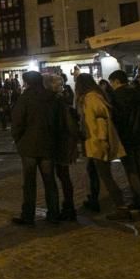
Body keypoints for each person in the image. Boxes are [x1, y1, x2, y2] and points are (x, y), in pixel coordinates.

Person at [76, 73, 133, 221]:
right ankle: (95, 200)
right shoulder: (91, 97)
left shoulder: (92, 98)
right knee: (96, 172)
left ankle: (122, 207)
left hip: (98, 144)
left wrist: (102, 140)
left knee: (106, 176)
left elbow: (101, 119)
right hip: (94, 142)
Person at [10, 71, 60, 226]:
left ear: (28, 82)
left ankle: (28, 215)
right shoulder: (51, 97)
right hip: (47, 144)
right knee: (49, 180)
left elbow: (17, 122)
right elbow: (57, 121)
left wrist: (18, 139)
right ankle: (53, 213)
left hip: (29, 146)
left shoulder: (25, 98)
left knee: (30, 182)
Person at [108, 70, 140, 209]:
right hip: (139, 135)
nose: (111, 86)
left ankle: (139, 199)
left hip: (125, 135)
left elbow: (117, 118)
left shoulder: (117, 96)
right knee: (138, 167)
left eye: (112, 83)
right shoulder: (137, 92)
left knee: (130, 169)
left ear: (116, 81)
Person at [46, 74, 80, 221]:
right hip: (63, 142)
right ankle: (68, 206)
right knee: (63, 176)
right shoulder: (62, 99)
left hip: (58, 143)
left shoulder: (54, 102)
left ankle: (67, 207)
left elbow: (54, 124)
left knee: (61, 176)